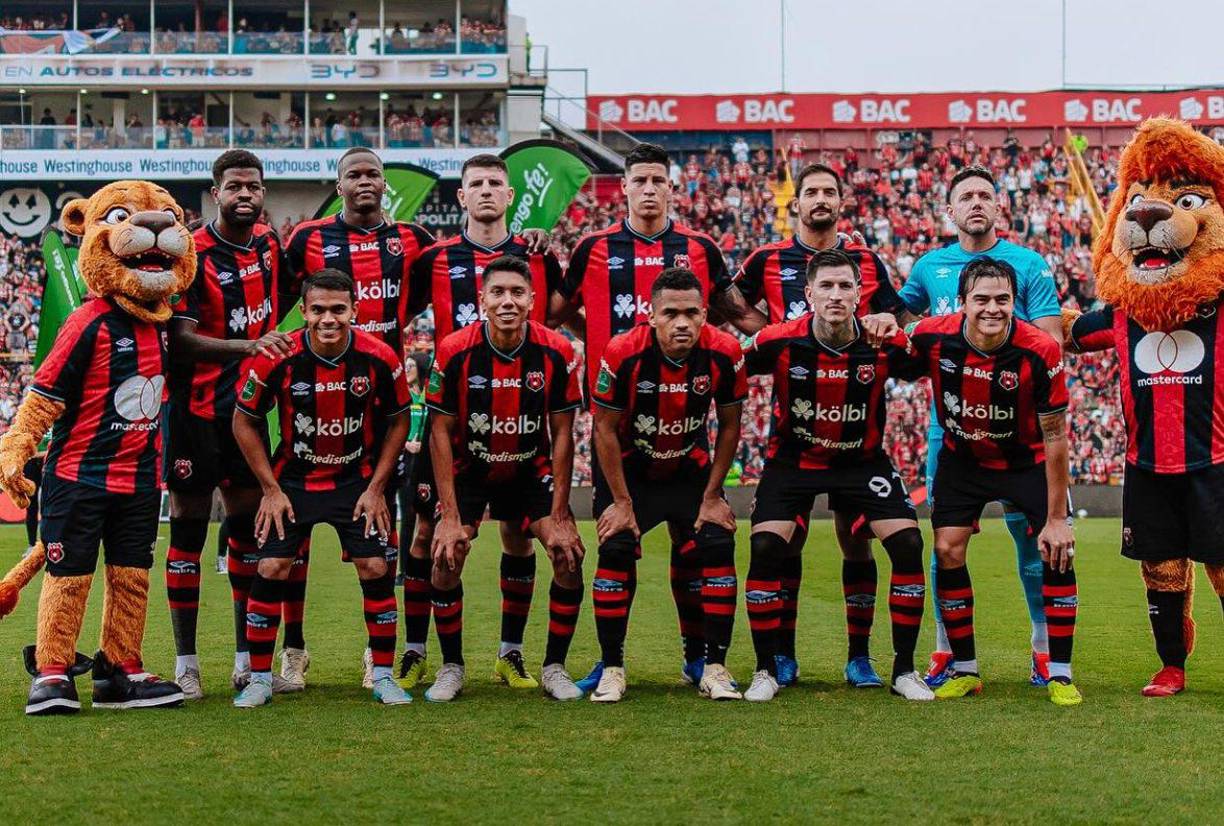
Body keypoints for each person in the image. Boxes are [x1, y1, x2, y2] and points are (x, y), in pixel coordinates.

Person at [550, 141, 764, 688]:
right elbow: (557, 310)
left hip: (684, 426)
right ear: (623, 187)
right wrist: (599, 340)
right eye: (639, 180)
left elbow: (737, 312)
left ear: (673, 188)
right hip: (620, 432)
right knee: (616, 543)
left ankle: (701, 658)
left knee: (697, 547)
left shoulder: (699, 247)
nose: (649, 190)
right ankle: (609, 663)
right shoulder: (593, 247)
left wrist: (801, 337)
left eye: (658, 181)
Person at [733, 162, 914, 688]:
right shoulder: (768, 262)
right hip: (795, 451)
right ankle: (776, 660)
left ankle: (866, 659)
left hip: (860, 455)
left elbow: (910, 336)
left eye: (828, 191)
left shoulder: (869, 262)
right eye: (810, 191)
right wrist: (774, 333)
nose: (819, 199)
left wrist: (891, 325)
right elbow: (732, 314)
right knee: (777, 546)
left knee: (870, 543)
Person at [888, 164, 1065, 688]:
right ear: (950, 211)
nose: (976, 203)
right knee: (947, 541)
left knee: (1033, 541)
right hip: (952, 430)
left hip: (1020, 431)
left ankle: (1043, 648)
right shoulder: (929, 267)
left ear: (998, 207)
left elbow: (1051, 336)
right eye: (965, 196)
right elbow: (905, 328)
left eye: (985, 195)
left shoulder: (1027, 263)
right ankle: (947, 651)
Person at [402, 153, 561, 690]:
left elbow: (558, 319)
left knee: (518, 536)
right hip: (454, 424)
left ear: (511, 196)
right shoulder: (434, 258)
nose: (488, 191)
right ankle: (418, 649)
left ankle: (509, 654)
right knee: (428, 536)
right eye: (477, 184)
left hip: (520, 423)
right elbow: (397, 312)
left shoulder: (535, 255)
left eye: (497, 183)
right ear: (462, 197)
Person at [284, 147, 434, 686]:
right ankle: (294, 649)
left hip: (379, 397)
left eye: (373, 173)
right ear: (339, 183)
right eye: (355, 174)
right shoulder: (307, 238)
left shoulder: (413, 240)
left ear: (384, 183)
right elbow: (284, 296)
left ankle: (379, 654)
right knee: (292, 538)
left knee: (378, 529)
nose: (365, 181)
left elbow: (417, 297)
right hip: (313, 393)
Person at [901, 258, 1080, 706]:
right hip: (963, 461)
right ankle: (964, 668)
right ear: (962, 303)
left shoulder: (1040, 350)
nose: (992, 308)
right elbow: (887, 355)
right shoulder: (932, 336)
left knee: (1056, 550)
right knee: (946, 550)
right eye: (981, 299)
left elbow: (1056, 434)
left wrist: (1057, 517)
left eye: (1002, 299)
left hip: (1027, 462)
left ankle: (1059, 672)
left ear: (1013, 303)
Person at [230, 269, 413, 708]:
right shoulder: (277, 356)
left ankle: (384, 675)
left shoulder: (380, 357)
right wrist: (270, 489)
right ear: (305, 312)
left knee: (374, 566)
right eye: (317, 310)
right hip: (293, 481)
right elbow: (244, 419)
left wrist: (377, 487)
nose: (328, 319)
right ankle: (259, 678)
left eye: (337, 309)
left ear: (355, 310)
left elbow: (399, 418)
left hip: (356, 480)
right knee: (272, 568)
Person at [165, 149, 295, 699]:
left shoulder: (268, 244)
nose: (246, 194)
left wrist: (261, 345)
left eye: (255, 186)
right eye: (235, 186)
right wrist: (250, 344)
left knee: (245, 530)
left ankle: (246, 656)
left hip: (249, 412)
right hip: (195, 413)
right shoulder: (191, 251)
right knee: (189, 530)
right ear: (215, 192)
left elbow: (284, 296)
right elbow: (180, 338)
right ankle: (187, 662)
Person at [425, 256, 585, 701]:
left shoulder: (557, 350)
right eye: (498, 293)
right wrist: (451, 516)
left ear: (533, 300)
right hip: (470, 467)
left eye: (517, 293)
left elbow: (563, 435)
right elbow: (439, 431)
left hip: (529, 468)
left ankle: (549, 664)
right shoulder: (454, 349)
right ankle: (451, 666)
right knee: (445, 554)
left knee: (567, 553)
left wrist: (560, 513)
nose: (508, 301)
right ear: (482, 300)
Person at [587, 268, 746, 703]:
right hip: (629, 470)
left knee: (715, 542)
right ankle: (613, 667)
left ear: (705, 314)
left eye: (691, 313)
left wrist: (712, 496)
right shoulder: (622, 352)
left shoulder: (724, 351)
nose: (682, 323)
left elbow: (730, 425)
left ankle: (711, 664)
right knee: (616, 546)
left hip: (687, 467)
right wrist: (620, 501)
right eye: (671, 313)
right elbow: (603, 428)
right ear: (651, 316)